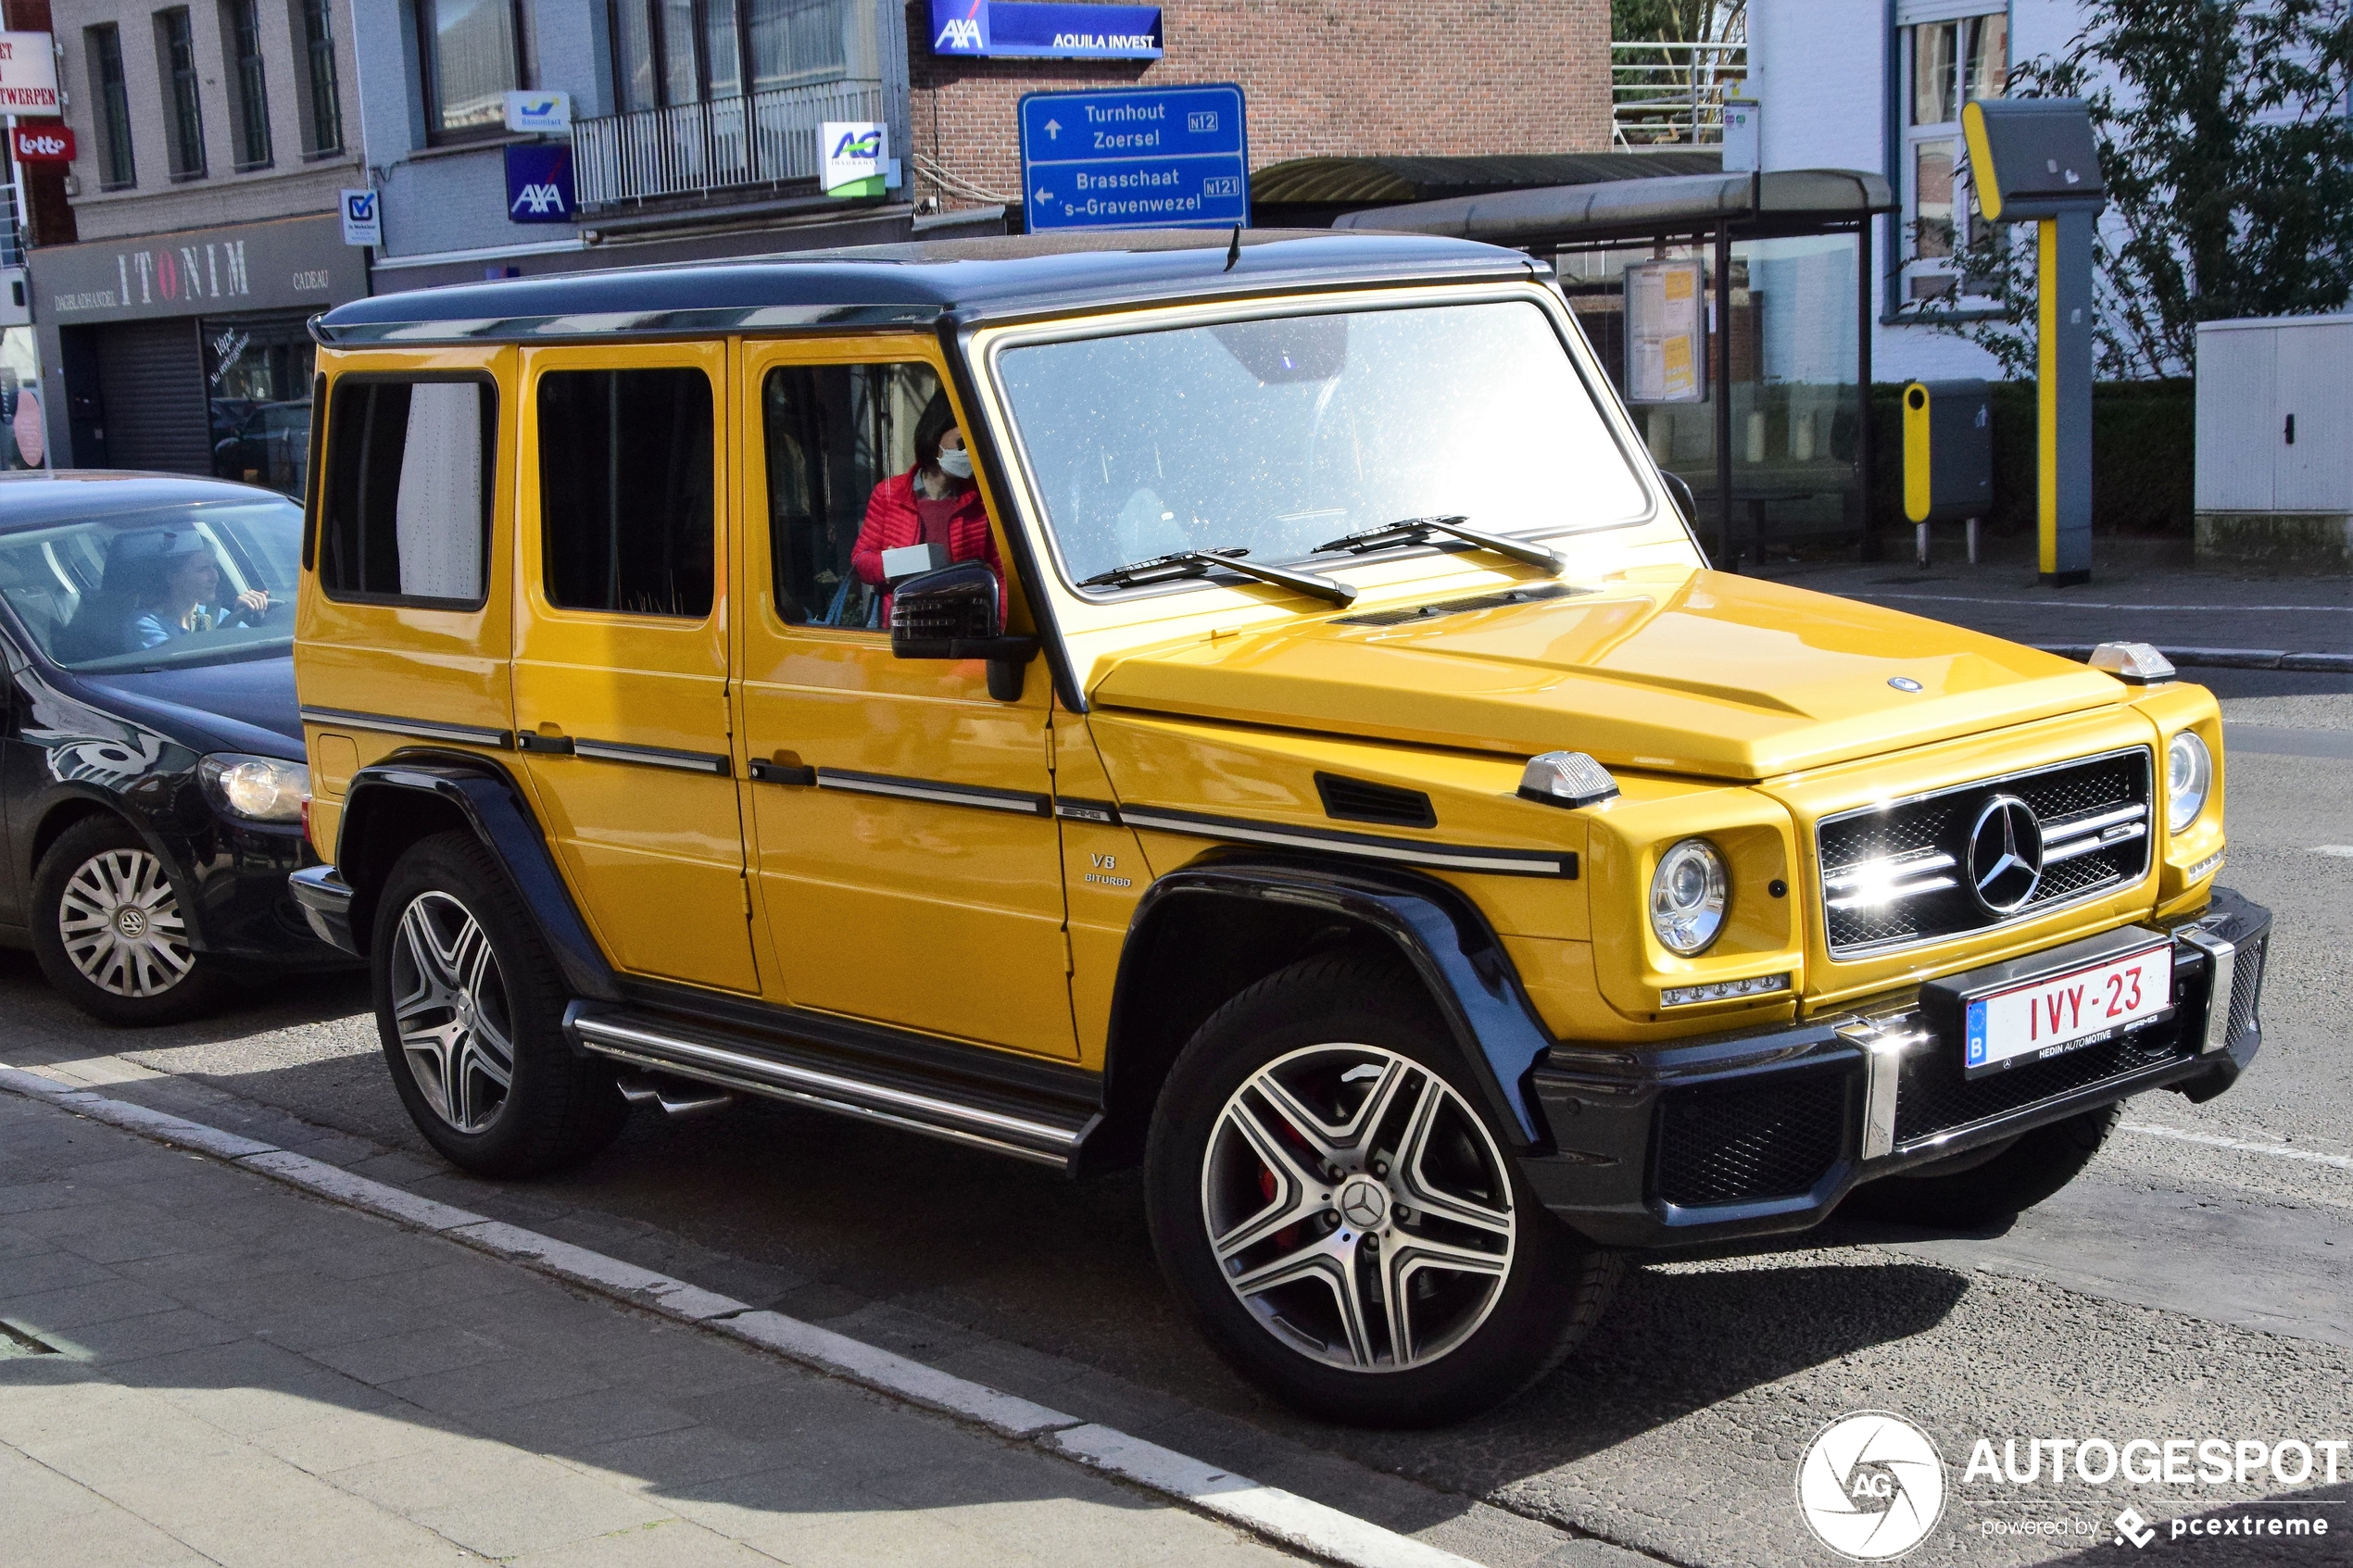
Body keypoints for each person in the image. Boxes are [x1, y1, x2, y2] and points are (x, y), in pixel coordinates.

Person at [849, 402, 1001, 624]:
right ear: (934, 437)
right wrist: (889, 564)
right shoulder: (889, 494)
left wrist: (999, 626)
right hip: (905, 628)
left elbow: (1001, 574)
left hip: (964, 630)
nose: (969, 452)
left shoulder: (982, 500)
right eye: (962, 443)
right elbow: (860, 561)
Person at [117, 531, 270, 651]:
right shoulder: (144, 624)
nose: (214, 577)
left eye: (214, 567)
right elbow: (176, 666)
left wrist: (255, 612)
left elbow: (256, 651)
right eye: (203, 569)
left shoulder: (220, 615)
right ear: (172, 576)